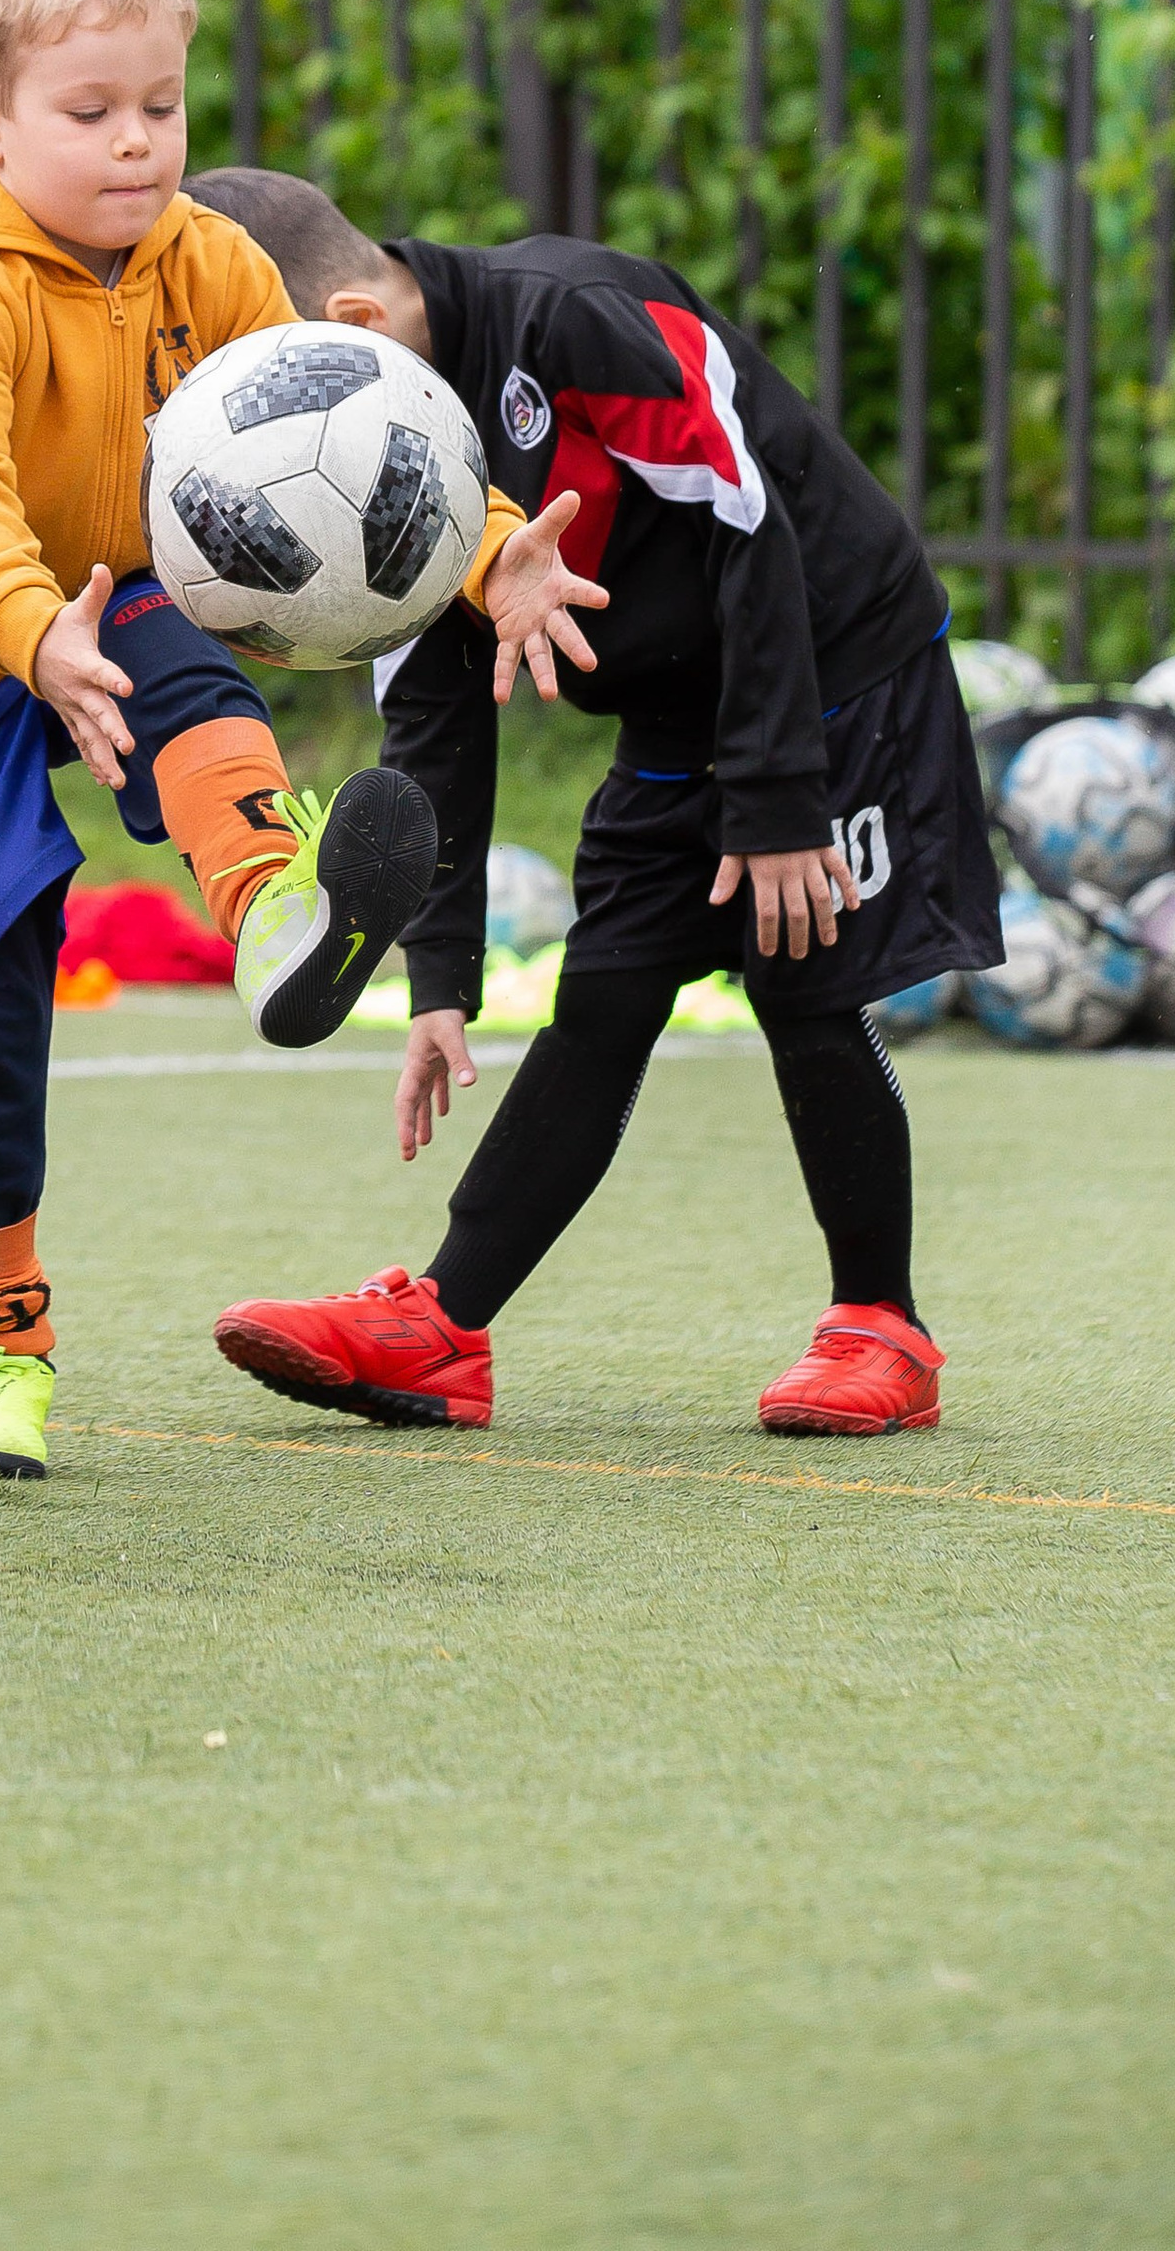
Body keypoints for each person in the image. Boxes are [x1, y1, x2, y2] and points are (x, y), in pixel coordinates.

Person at [0, 0, 578, 1486]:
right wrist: (28, 633)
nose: (141, 142)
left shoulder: (205, 257)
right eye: (93, 111)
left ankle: (276, 910)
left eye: (164, 103)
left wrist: (494, 547)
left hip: (107, 592)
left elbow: (365, 425)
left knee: (184, 663)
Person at [193, 168, 1001, 1442]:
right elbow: (434, 710)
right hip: (674, 708)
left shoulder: (575, 317)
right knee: (605, 992)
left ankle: (879, 1328)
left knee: (802, 979)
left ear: (347, 332)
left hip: (833, 671)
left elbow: (751, 523)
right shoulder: (377, 460)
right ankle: (442, 1331)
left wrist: (780, 800)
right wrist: (441, 975)